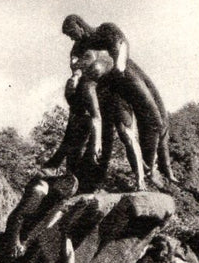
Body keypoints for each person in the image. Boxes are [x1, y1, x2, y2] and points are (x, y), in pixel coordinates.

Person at [61, 15, 175, 190]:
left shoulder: (105, 29)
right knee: (118, 133)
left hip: (124, 76)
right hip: (106, 90)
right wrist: (76, 74)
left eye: (71, 33)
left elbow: (122, 43)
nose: (71, 38)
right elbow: (75, 65)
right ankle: (95, 180)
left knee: (154, 119)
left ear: (79, 26)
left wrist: (119, 64)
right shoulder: (79, 47)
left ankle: (151, 168)